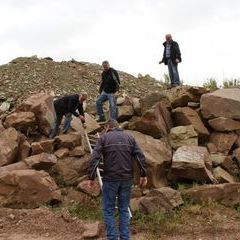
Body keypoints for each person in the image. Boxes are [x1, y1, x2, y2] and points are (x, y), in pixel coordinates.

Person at [88, 120, 147, 240]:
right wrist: (143, 174)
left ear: (107, 126)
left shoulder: (104, 138)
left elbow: (95, 158)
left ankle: (112, 237)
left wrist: (92, 177)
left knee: (108, 209)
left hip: (110, 179)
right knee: (124, 209)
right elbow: (140, 156)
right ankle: (125, 237)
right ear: (118, 126)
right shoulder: (129, 138)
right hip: (126, 179)